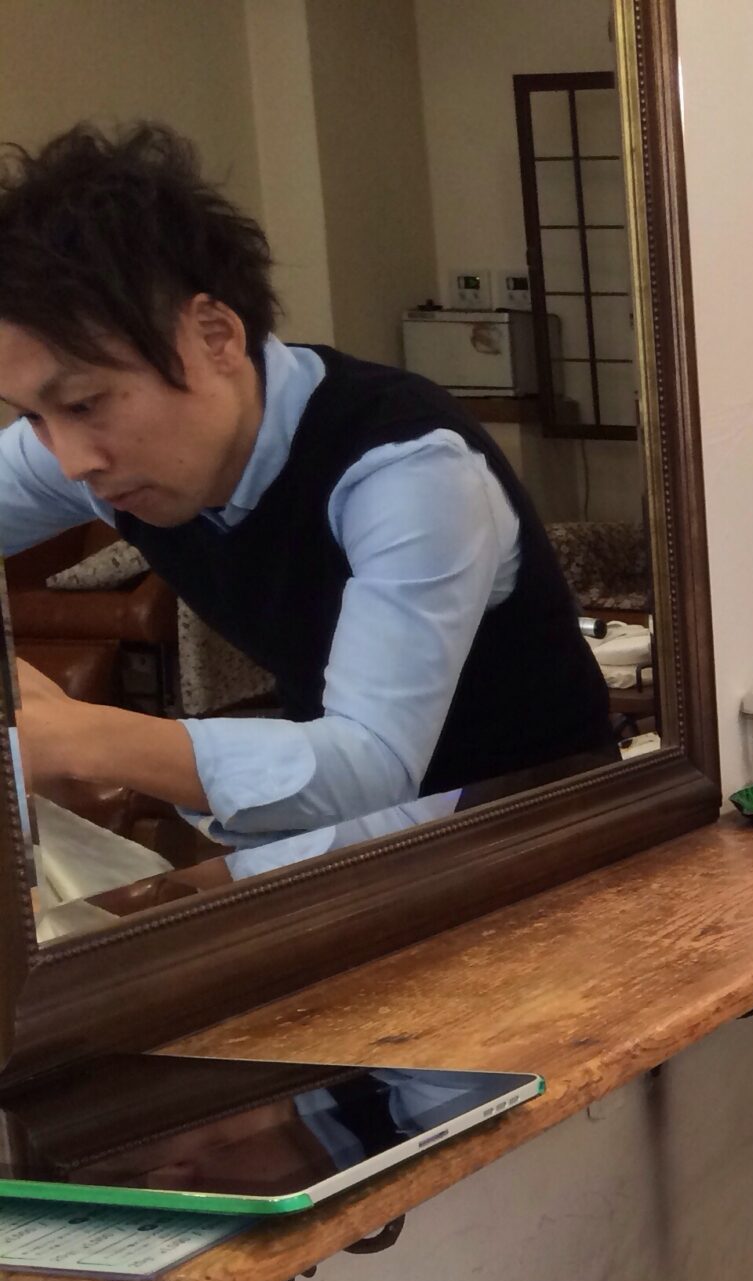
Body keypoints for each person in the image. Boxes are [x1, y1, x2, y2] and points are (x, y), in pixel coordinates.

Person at [0, 124, 613, 842]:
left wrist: (76, 737)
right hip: (346, 842)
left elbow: (370, 762)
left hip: (550, 826)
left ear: (215, 337)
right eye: (33, 416)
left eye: (82, 403)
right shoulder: (86, 450)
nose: (70, 459)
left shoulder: (406, 466)